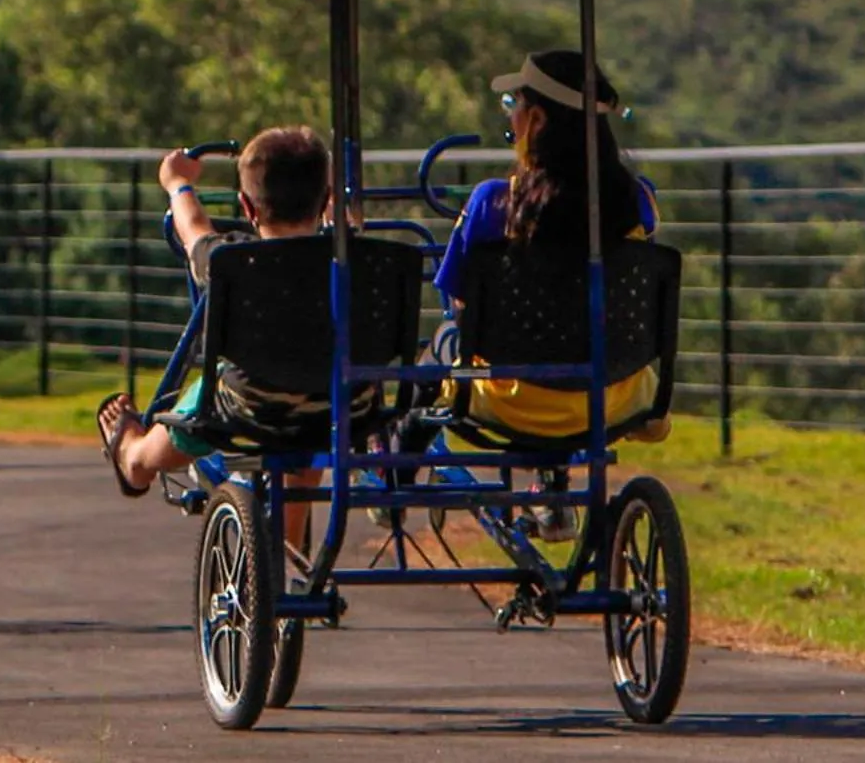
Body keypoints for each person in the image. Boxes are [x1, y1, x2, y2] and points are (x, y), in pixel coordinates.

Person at [423, 49, 666, 539]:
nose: (509, 114)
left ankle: (396, 465)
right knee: (573, 344)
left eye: (513, 103)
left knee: (444, 342)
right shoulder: (637, 202)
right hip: (611, 395)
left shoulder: (492, 202)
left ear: (535, 120)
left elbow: (458, 302)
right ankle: (552, 489)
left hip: (511, 400)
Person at [95, 126, 361, 564]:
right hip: (344, 407)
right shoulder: (357, 259)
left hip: (246, 406)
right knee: (312, 406)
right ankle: (287, 556)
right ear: (325, 198)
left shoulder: (230, 259)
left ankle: (135, 456)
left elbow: (193, 228)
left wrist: (178, 183)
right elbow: (350, 228)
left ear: (247, 206)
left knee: (203, 401)